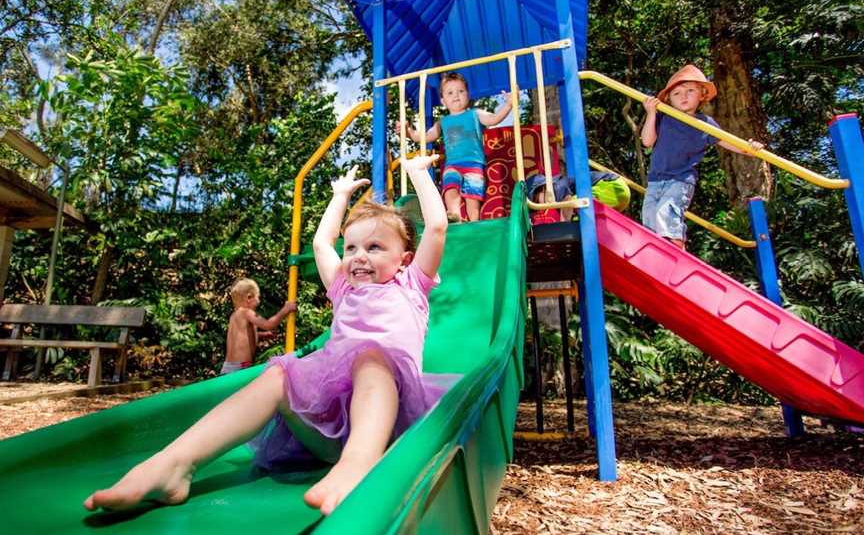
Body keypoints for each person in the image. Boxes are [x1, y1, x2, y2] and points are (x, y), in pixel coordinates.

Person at [83, 155, 452, 516]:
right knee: (279, 373)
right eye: (352, 247)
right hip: (326, 432)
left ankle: (359, 464)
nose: (358, 256)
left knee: (372, 358)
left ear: (404, 259)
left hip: (388, 427)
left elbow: (436, 227)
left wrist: (418, 174)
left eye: (374, 247)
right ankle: (174, 464)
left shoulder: (410, 286)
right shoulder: (343, 288)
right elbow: (323, 244)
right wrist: (339, 197)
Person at [641, 64, 765, 249]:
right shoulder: (663, 117)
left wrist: (749, 148)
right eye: (676, 93)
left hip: (681, 179)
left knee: (666, 211)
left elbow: (726, 141)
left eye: (690, 90)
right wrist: (651, 113)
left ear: (702, 95)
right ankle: (656, 252)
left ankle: (675, 248)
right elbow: (647, 141)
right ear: (668, 99)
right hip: (656, 179)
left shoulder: (705, 124)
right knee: (649, 215)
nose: (683, 96)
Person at [399, 72, 512, 222]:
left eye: (461, 91)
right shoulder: (443, 122)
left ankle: (474, 221)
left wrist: (509, 104)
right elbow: (426, 137)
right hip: (452, 164)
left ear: (468, 94)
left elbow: (493, 119)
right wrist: (408, 132)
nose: (456, 95)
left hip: (474, 164)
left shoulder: (475, 114)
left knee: (473, 195)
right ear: (443, 101)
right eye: (450, 93)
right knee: (450, 188)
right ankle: (454, 215)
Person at [222, 279, 296, 375]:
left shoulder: (235, 316)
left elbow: (242, 337)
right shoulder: (246, 312)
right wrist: (286, 310)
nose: (259, 301)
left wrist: (263, 335)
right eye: (258, 297)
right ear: (249, 297)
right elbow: (268, 325)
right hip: (239, 367)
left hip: (229, 366)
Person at [526, 170, 631, 225]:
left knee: (576, 202)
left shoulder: (556, 186)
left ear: (543, 187)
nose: (540, 207)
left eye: (536, 201)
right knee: (577, 218)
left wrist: (563, 226)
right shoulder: (556, 201)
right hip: (615, 200)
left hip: (613, 186)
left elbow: (567, 202)